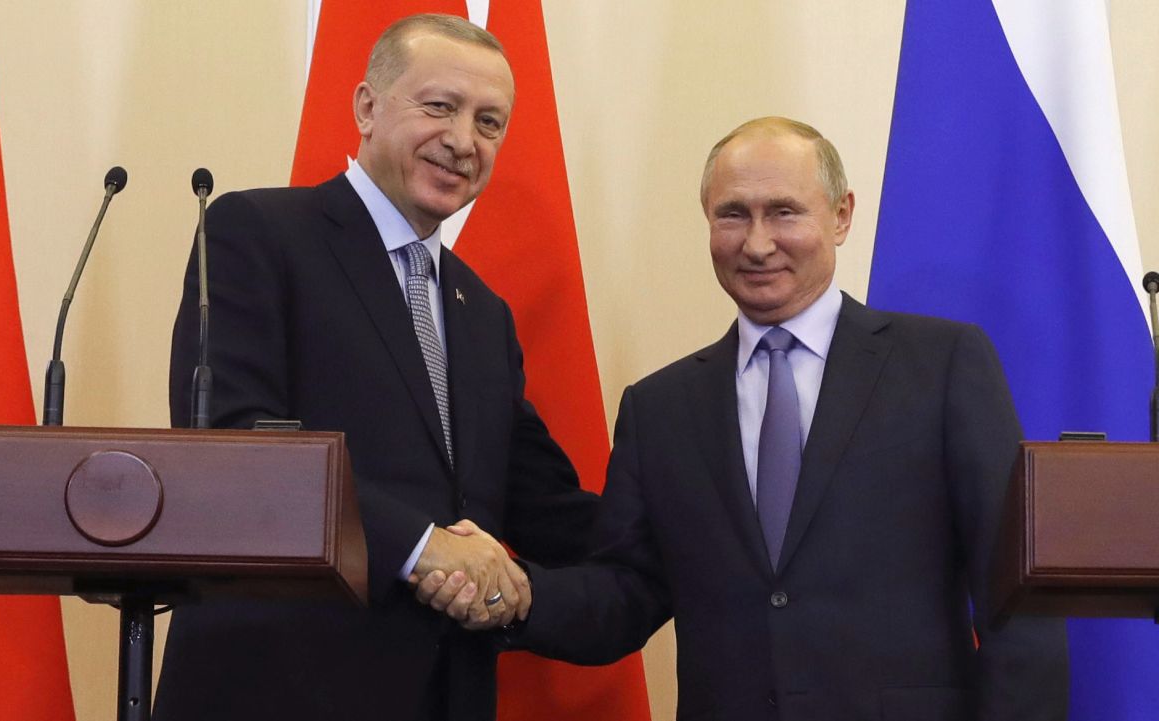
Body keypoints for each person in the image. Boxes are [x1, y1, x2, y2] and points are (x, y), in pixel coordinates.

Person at [417, 117, 1069, 720]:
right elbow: (626, 593)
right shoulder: (661, 407)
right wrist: (515, 593)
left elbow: (1019, 595)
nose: (757, 243)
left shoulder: (944, 364)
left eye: (784, 212)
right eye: (733, 215)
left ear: (841, 216)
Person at [152, 14, 597, 721]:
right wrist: (423, 547)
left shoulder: (482, 313)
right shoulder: (256, 235)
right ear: (366, 106)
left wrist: (699, 520)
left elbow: (544, 505)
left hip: (442, 693)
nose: (462, 140)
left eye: (489, 122)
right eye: (440, 106)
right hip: (277, 690)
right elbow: (239, 443)